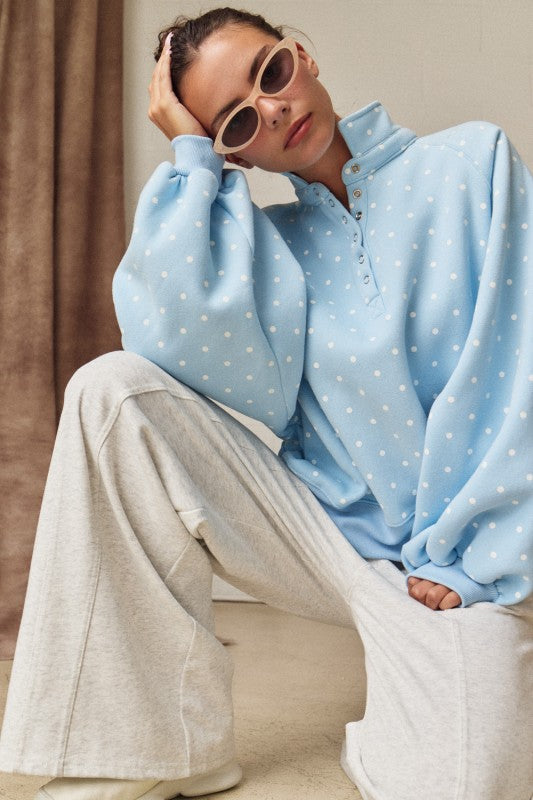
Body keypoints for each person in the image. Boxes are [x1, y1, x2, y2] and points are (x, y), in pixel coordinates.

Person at [0, 6, 532, 800]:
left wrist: (476, 561)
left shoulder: (471, 164)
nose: (273, 109)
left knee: (463, 782)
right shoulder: (268, 247)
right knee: (111, 391)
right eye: (238, 119)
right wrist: (190, 152)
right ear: (234, 154)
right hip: (334, 544)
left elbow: (515, 371)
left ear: (303, 58)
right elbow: (164, 335)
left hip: (468, 562)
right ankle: (158, 747)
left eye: (271, 74)